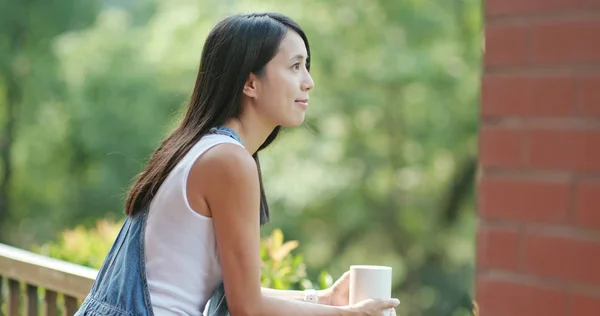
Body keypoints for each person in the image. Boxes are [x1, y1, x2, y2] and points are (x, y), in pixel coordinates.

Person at [75, 12, 400, 316]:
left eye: (307, 66)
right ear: (250, 83)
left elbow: (234, 294)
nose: (309, 81)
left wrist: (325, 299)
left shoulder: (204, 148)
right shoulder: (228, 161)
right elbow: (248, 307)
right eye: (295, 66)